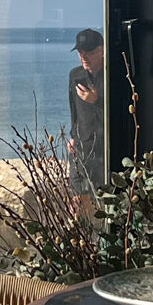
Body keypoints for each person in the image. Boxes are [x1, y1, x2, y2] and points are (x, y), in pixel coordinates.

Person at [67, 28, 105, 199]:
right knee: (77, 200)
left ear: (102, 50)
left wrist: (97, 100)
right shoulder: (76, 75)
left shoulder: (112, 76)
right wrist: (72, 136)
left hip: (104, 150)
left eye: (89, 52)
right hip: (81, 147)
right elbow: (74, 110)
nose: (84, 57)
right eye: (80, 53)